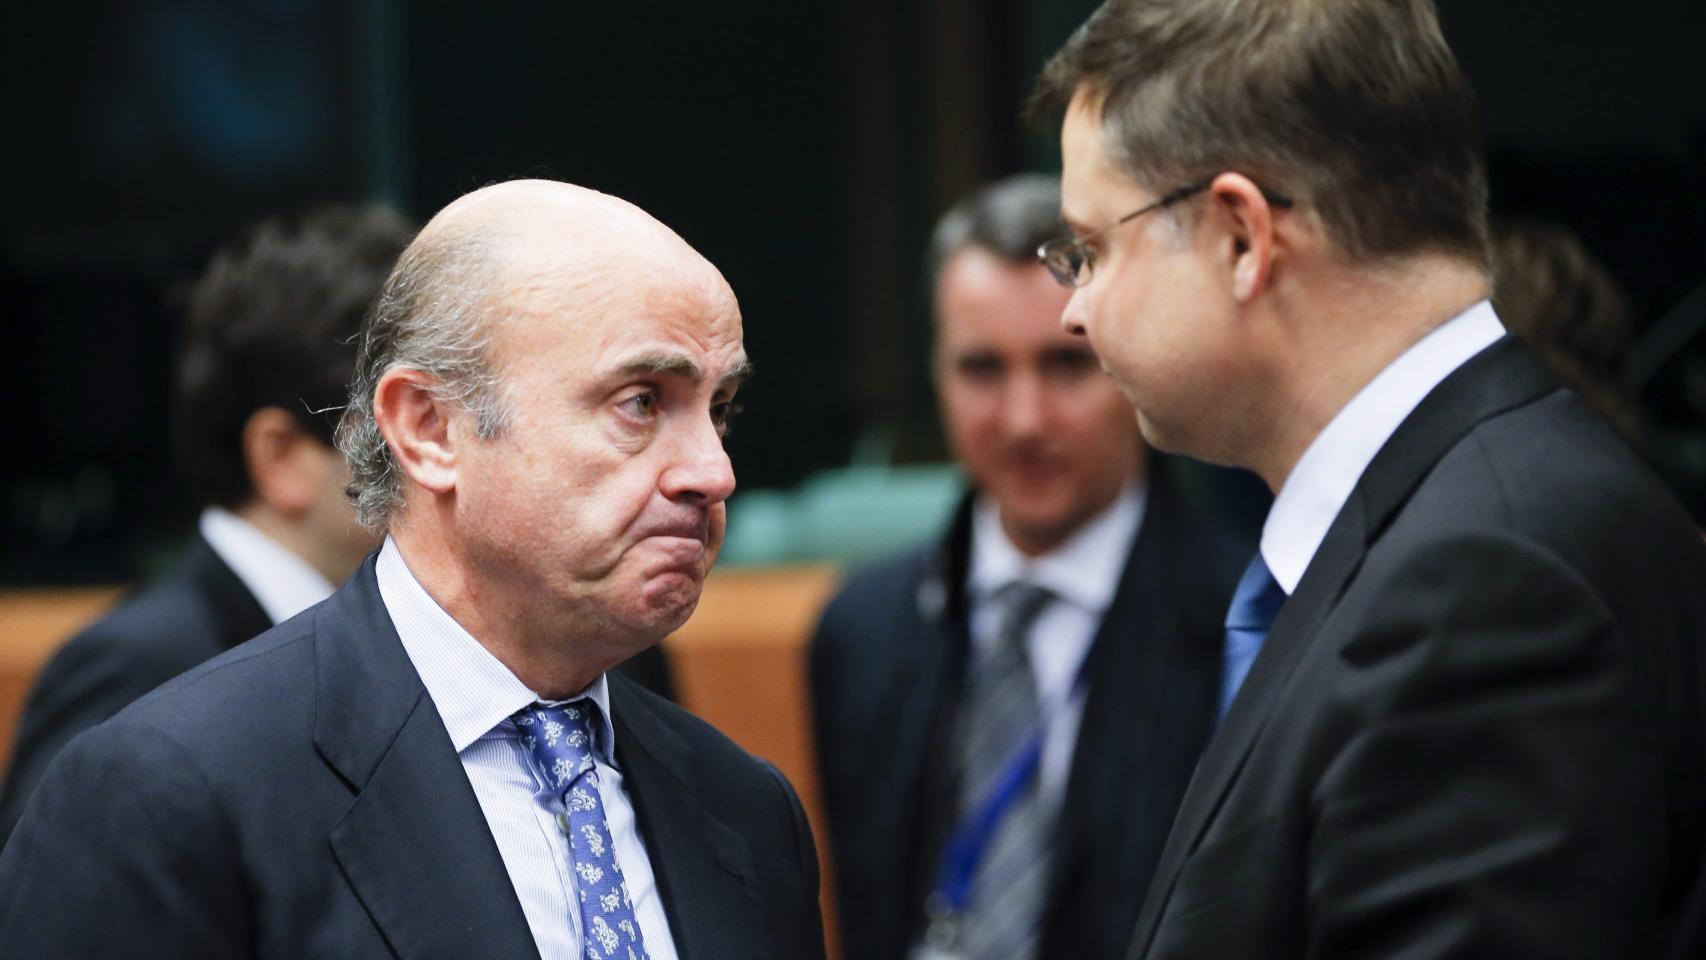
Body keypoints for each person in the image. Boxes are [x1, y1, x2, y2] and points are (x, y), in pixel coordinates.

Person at [1029, 1, 1706, 958]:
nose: (1075, 311)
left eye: (1089, 250)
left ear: (1240, 237)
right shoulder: (1462, 516)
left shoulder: (1483, 585)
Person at [0, 180, 827, 960]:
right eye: (640, 402)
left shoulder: (744, 810)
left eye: (718, 410)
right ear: (429, 428)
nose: (712, 472)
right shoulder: (167, 795)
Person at [810, 174, 1240, 960]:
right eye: (981, 369)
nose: (1024, 419)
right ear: (934, 375)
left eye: (1066, 366)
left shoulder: (1242, 620)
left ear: (1130, 360)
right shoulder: (863, 629)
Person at [0, 205, 412, 844]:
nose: (436, 456)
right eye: (401, 425)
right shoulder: (140, 664)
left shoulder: (386, 638)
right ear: (281, 458)